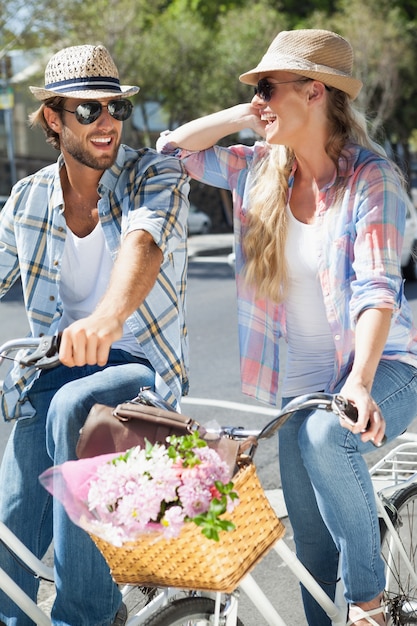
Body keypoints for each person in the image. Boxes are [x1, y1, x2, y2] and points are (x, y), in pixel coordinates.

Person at [156, 28, 417, 626]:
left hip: (384, 371)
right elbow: (172, 151)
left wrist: (360, 382)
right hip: (299, 386)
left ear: (315, 92)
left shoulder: (372, 180)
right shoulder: (259, 171)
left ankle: (371, 605)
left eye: (270, 88)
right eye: (258, 91)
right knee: (312, 550)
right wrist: (246, 112)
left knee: (330, 438)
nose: (262, 100)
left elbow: (379, 289)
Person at [0, 44, 189, 625]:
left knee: (72, 410)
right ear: (54, 119)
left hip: (137, 371)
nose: (106, 122)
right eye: (88, 111)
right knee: (11, 536)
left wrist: (106, 319)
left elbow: (145, 243)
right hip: (51, 373)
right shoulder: (28, 198)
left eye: (115, 108)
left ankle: (87, 616)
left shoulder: (150, 174)